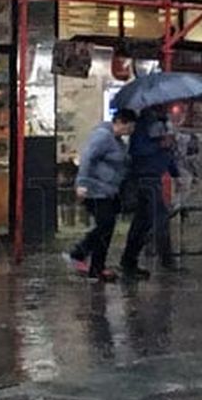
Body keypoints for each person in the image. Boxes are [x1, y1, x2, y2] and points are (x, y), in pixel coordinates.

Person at [69, 108, 137, 282]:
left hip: (108, 191)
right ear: (120, 122)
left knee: (107, 227)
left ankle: (92, 263)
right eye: (129, 126)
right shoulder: (103, 137)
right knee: (105, 225)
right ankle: (84, 257)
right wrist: (82, 183)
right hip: (95, 190)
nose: (130, 131)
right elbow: (87, 158)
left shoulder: (118, 141)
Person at [119, 105, 180, 278]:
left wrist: (174, 171)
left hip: (154, 177)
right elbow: (137, 151)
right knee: (160, 218)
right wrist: (159, 144)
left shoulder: (163, 124)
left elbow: (167, 153)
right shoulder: (142, 125)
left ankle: (129, 260)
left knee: (142, 222)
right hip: (145, 178)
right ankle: (166, 260)